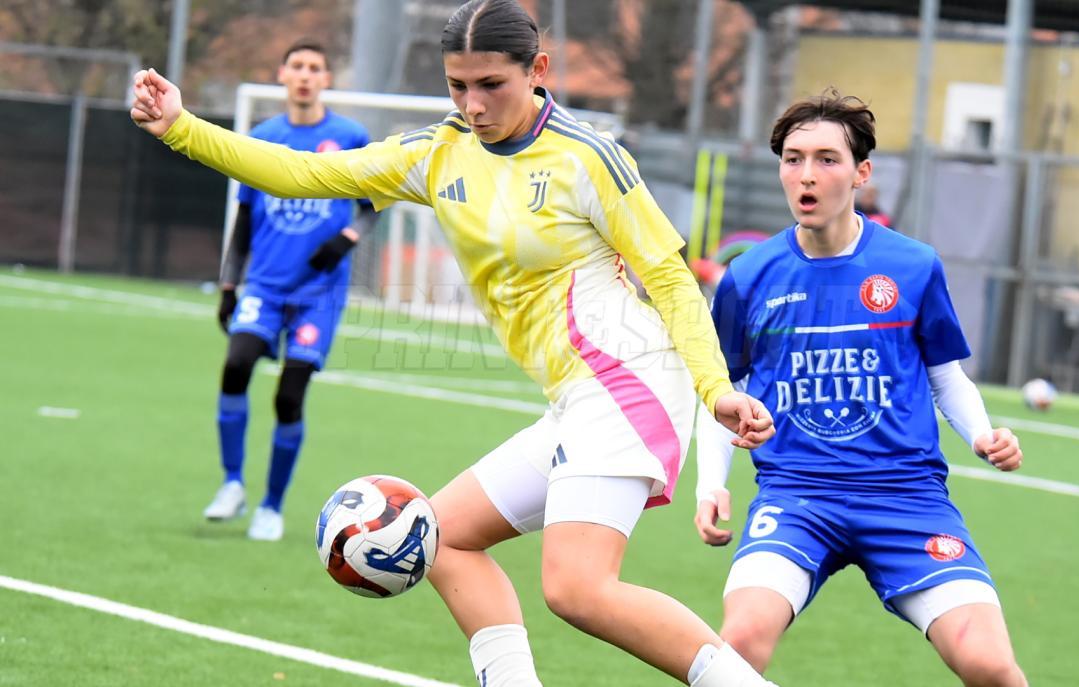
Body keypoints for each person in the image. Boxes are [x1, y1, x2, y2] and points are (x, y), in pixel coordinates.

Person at [132, 2, 781, 685]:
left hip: (627, 380)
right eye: (456, 85)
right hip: (575, 398)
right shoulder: (436, 153)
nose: (472, 104)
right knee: (438, 536)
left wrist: (716, 389)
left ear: (538, 70)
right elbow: (305, 175)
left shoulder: (587, 157)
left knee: (575, 588)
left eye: (490, 85)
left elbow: (671, 279)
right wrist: (180, 127)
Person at [693, 89, 1028, 686]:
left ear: (861, 173)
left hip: (906, 498)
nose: (807, 175)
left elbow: (945, 375)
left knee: (991, 665)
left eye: (827, 159)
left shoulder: (914, 265)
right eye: (793, 159)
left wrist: (983, 435)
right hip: (797, 496)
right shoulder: (749, 275)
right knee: (737, 641)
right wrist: (710, 484)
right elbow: (725, 387)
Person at [202, 39, 372, 542]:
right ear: (282, 74)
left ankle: (271, 507)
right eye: (297, 66)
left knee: (289, 396)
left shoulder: (349, 136)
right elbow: (245, 215)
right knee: (235, 367)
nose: (304, 75)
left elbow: (374, 202)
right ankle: (232, 483)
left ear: (326, 79)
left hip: (318, 292)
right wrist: (230, 284)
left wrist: (348, 239)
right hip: (264, 286)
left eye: (314, 68)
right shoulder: (262, 137)